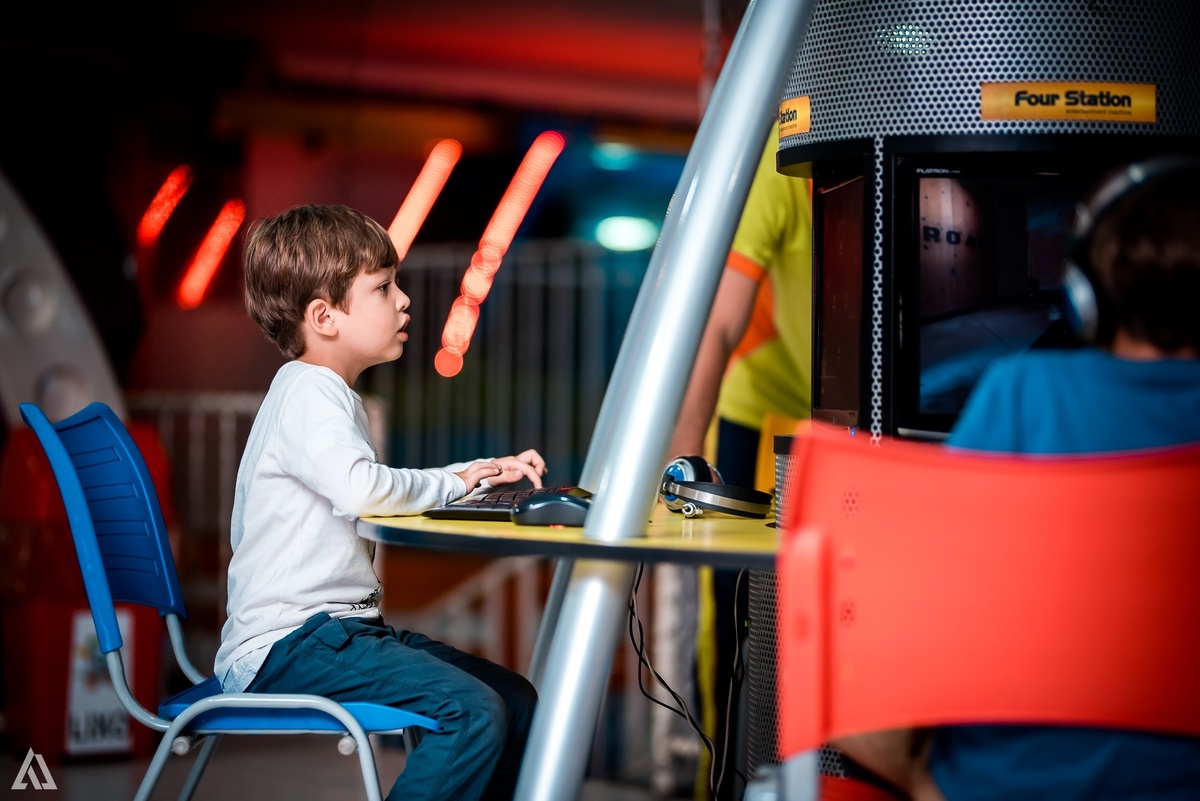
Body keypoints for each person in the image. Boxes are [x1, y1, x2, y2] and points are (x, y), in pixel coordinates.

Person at [834, 155, 1200, 800]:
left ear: (1087, 293)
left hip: (1001, 783)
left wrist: (923, 781)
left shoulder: (1026, 393)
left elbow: (919, 617)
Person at [214, 203, 546, 801]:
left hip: (337, 636)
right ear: (324, 317)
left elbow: (365, 482)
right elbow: (362, 488)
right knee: (474, 713)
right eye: (383, 287)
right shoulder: (310, 393)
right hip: (289, 647)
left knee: (513, 699)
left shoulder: (319, 394)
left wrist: (469, 476)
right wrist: (457, 482)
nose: (404, 300)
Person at [665, 119, 813, 799]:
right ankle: (720, 784)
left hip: (858, 422)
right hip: (761, 415)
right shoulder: (782, 160)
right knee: (735, 620)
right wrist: (684, 466)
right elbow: (718, 324)